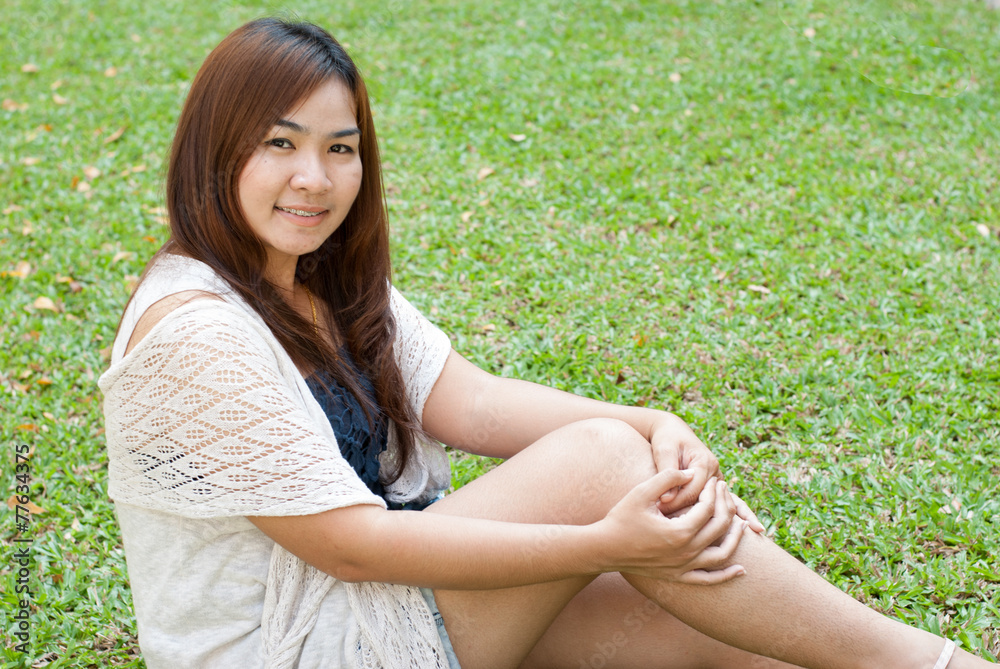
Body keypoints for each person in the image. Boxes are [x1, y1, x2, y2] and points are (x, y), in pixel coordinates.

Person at [98, 17, 992, 669]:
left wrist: (654, 420)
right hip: (295, 645)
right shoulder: (195, 331)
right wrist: (609, 536)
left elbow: (472, 401)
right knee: (602, 462)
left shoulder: (319, 282)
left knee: (700, 626)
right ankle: (926, 662)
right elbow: (352, 546)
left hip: (378, 605)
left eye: (340, 147)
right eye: (279, 143)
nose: (314, 177)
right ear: (217, 152)